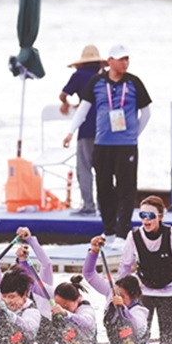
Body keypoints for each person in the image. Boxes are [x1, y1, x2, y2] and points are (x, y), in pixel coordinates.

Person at [68, 43, 152, 248]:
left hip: (126, 145)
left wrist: (134, 135)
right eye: (121, 59)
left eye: (127, 59)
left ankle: (123, 232)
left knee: (126, 188)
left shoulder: (134, 82)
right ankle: (109, 230)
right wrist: (70, 132)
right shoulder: (97, 82)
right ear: (110, 61)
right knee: (103, 186)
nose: (125, 63)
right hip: (102, 143)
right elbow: (83, 109)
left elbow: (146, 113)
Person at [117, 195, 172, 344]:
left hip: (169, 293)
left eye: (150, 216)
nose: (146, 220)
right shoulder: (133, 237)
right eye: (142, 215)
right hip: (143, 292)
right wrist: (118, 293)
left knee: (169, 341)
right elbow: (125, 266)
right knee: (139, 338)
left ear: (161, 216)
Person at [83, 236, 149, 344]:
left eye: (122, 297)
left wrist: (123, 308)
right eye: (116, 294)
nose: (116, 298)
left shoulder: (139, 311)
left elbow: (135, 323)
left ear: (133, 297)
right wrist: (94, 252)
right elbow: (89, 274)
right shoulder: (111, 292)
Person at [60, 44, 106, 215]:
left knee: (84, 168)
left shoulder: (79, 75)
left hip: (86, 125)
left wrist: (65, 103)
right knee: (103, 169)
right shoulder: (105, 76)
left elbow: (64, 94)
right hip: (105, 128)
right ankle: (104, 206)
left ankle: (88, 206)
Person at [51, 275, 98, 344]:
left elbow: (87, 322)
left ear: (78, 299)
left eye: (66, 307)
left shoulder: (86, 308)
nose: (62, 309)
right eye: (59, 306)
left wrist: (66, 313)